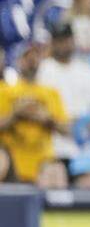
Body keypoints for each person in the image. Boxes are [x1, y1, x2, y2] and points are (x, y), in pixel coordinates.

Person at [34, 22, 90, 186]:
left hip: (82, 149)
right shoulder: (42, 70)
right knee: (52, 181)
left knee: (89, 183)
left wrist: (86, 128)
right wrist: (57, 124)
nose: (63, 44)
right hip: (51, 148)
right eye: (59, 40)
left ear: (73, 40)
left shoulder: (88, 71)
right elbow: (33, 108)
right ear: (53, 42)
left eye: (66, 40)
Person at [0, 43, 69, 188]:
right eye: (27, 56)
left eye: (36, 55)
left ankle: (53, 209)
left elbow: (66, 129)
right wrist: (15, 114)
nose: (32, 60)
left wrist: (46, 119)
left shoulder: (51, 92)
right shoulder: (5, 90)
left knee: (57, 170)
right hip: (11, 160)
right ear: (18, 60)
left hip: (43, 161)